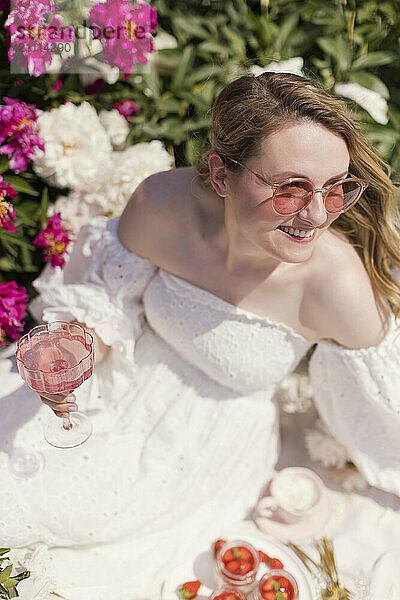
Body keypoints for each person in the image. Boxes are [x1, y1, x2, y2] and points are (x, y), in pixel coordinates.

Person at [1, 72, 400, 599]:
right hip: (121, 381)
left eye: (336, 188)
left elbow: (381, 410)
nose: (318, 214)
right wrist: (78, 349)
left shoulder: (336, 288)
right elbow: (106, 303)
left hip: (204, 444)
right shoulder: (162, 206)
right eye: (291, 188)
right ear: (220, 173)